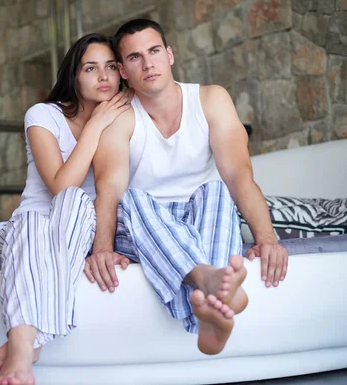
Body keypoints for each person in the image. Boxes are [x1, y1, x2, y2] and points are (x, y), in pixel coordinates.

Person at [83, 18, 289, 355]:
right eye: (135, 58)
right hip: (145, 225)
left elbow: (239, 175)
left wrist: (268, 240)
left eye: (154, 51)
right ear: (122, 70)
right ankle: (216, 285)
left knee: (218, 190)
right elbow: (109, 190)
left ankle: (210, 297)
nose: (148, 63)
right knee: (131, 198)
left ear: (169, 54)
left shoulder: (211, 100)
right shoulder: (119, 116)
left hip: (199, 220)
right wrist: (102, 249)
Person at [0, 33, 133, 385]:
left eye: (111, 67)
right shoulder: (43, 115)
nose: (104, 77)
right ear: (73, 76)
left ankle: (25, 344)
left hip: (83, 231)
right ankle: (26, 346)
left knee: (81, 205)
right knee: (52, 212)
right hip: (26, 230)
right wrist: (94, 125)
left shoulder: (125, 118)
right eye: (91, 68)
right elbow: (61, 186)